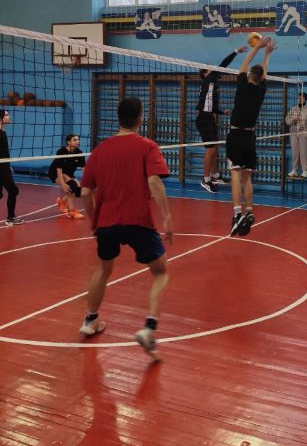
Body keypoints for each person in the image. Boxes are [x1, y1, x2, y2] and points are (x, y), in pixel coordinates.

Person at [79, 96, 173, 358]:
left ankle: (89, 320)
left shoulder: (99, 150)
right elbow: (154, 182)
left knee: (103, 269)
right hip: (137, 219)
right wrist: (166, 217)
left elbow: (85, 192)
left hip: (106, 222)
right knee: (161, 272)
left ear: (118, 119)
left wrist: (94, 221)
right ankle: (149, 328)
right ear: (140, 119)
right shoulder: (147, 146)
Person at [226, 36, 277, 237]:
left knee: (235, 174)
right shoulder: (261, 90)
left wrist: (258, 48)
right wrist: (267, 54)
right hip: (250, 138)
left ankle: (237, 214)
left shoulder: (242, 86)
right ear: (261, 78)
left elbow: (245, 62)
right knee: (247, 177)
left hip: (236, 134)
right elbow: (264, 72)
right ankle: (249, 211)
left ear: (249, 76)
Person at [196, 46, 245, 193]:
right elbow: (224, 64)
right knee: (210, 149)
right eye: (209, 67)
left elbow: (210, 106)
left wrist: (222, 112)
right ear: (205, 73)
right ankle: (205, 180)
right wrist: (236, 52)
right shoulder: (208, 79)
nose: (212, 68)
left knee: (215, 148)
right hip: (203, 119)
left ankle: (215, 175)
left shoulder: (211, 84)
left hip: (209, 118)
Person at [48, 133, 86, 219]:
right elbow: (59, 170)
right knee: (71, 186)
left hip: (68, 173)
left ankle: (61, 202)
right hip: (55, 172)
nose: (77, 141)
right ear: (69, 142)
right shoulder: (61, 152)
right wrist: (63, 184)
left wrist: (87, 181)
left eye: (78, 140)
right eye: (74, 140)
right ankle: (71, 212)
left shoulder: (79, 153)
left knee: (77, 190)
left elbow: (84, 169)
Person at [0, 108, 23, 227]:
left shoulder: (2, 132)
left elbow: (4, 153)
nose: (9, 117)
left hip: (4, 166)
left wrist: (8, 165)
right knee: (13, 190)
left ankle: (11, 217)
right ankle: (10, 218)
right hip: (1, 167)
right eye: (6, 115)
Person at [285, 91, 307, 178]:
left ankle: (305, 170)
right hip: (294, 133)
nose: (299, 99)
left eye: (301, 98)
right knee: (295, 152)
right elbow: (287, 121)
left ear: (305, 99)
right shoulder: (293, 109)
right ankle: (294, 170)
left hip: (303, 134)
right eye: (298, 98)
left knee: (304, 152)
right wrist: (293, 119)